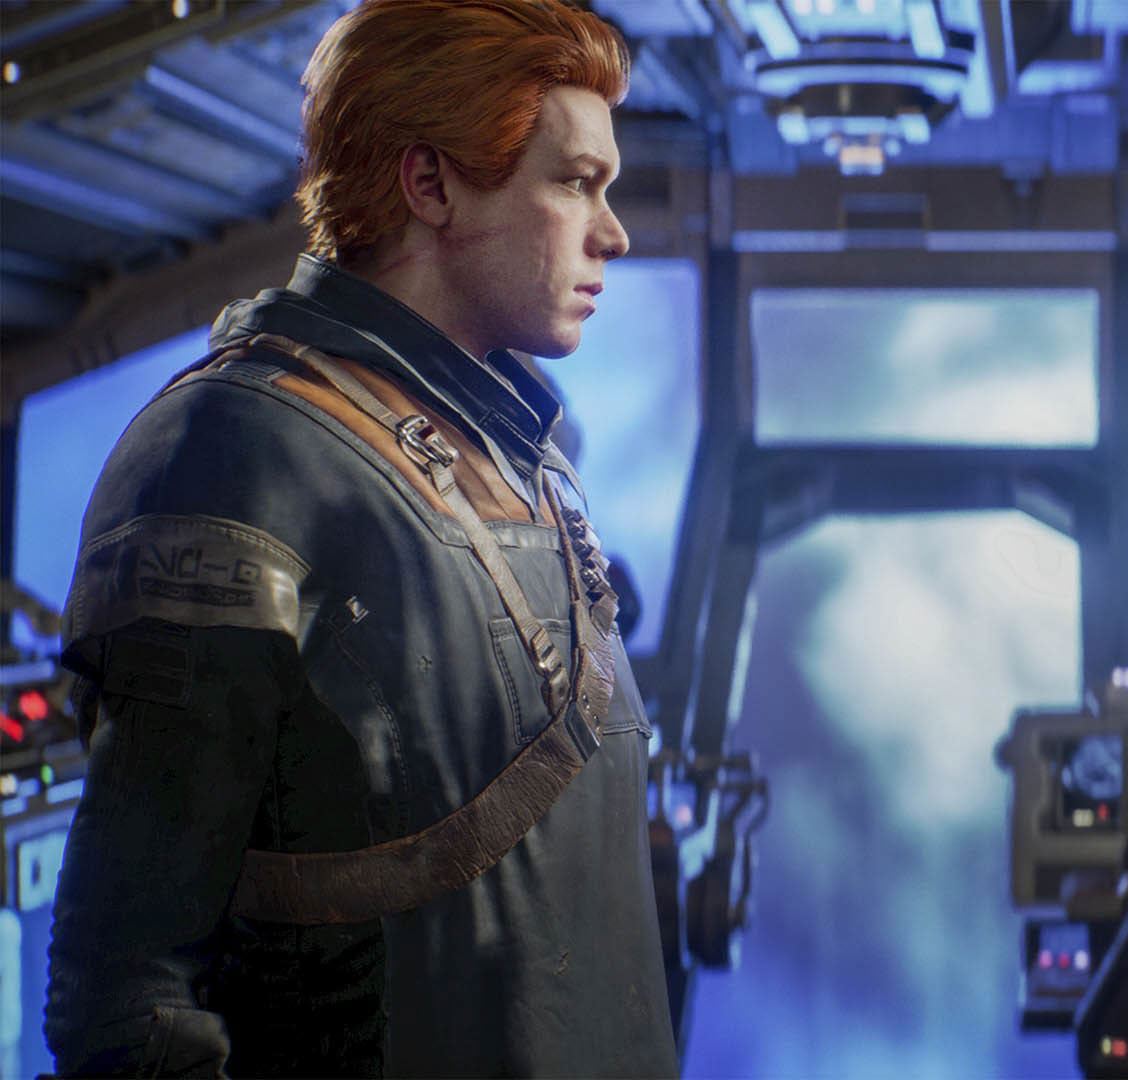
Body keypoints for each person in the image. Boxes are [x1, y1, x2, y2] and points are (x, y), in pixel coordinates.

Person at [44, 1, 678, 1075]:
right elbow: (126, 1001)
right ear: (429, 184)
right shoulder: (231, 453)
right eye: (576, 182)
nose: (612, 231)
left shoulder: (530, 458)